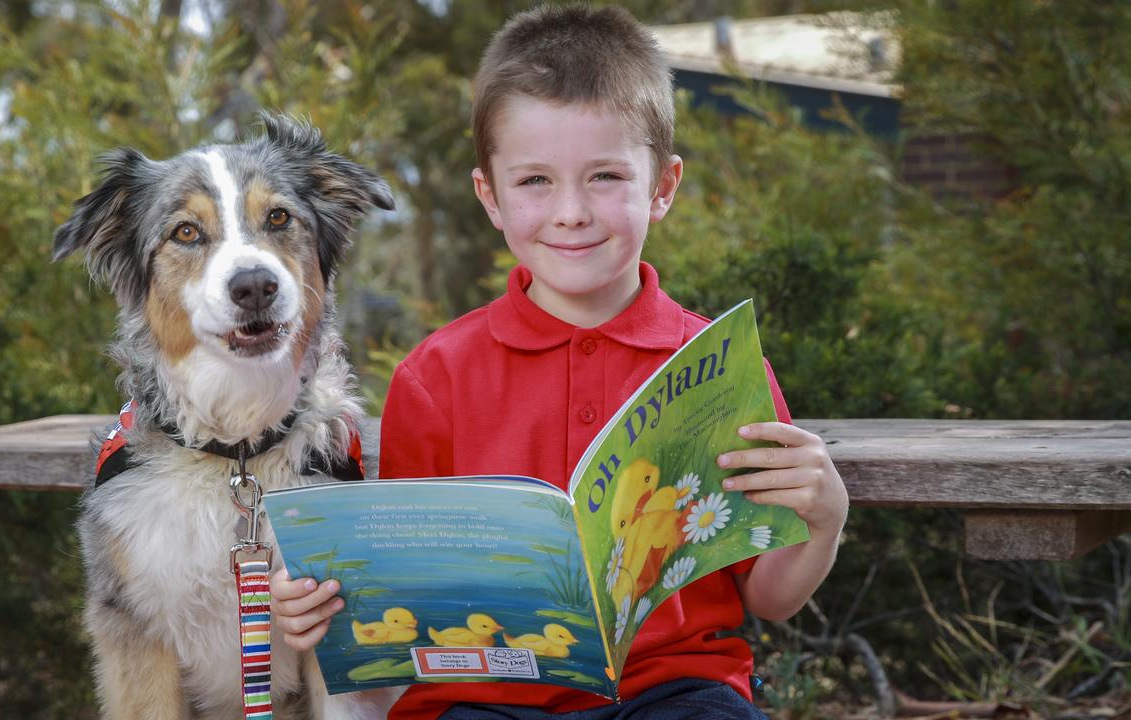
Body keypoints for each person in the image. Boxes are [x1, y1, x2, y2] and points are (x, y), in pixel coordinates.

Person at [273, 4, 850, 719]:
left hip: (673, 689)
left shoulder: (718, 367)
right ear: (490, 196)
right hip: (483, 696)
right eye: (535, 181)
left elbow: (769, 596)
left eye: (605, 176)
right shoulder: (437, 375)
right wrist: (317, 611)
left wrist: (824, 520)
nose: (570, 211)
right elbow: (400, 602)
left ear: (662, 187)